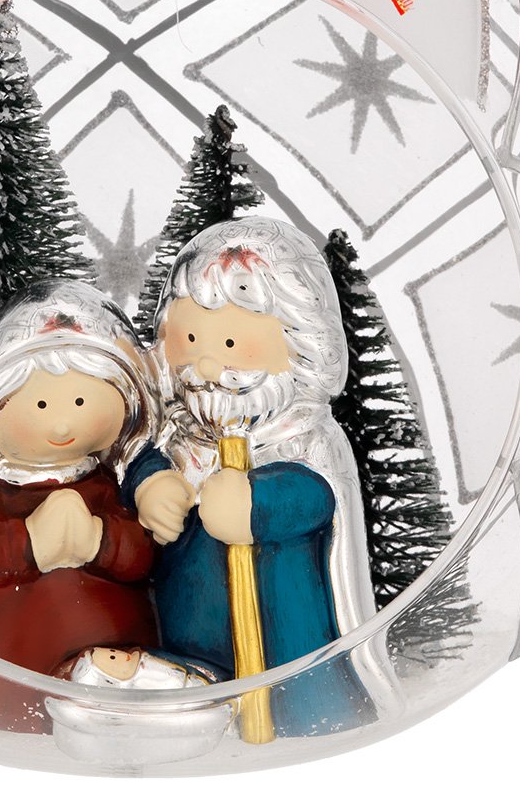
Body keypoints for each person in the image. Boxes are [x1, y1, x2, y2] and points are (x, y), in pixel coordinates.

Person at [124, 217, 376, 737]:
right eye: (189, 338)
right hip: (190, 639)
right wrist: (152, 485)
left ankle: (307, 715)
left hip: (283, 644)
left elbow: (316, 497)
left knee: (301, 703)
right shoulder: (180, 430)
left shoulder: (303, 435)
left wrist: (257, 505)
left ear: (300, 343)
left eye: (232, 342)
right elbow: (142, 461)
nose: (208, 364)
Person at [0, 280, 159, 732]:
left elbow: (141, 553)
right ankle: (4, 707)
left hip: (113, 661)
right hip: (6, 663)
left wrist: (99, 540)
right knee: (6, 700)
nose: (61, 424)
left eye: (80, 401)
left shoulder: (105, 487)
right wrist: (33, 540)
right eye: (40, 403)